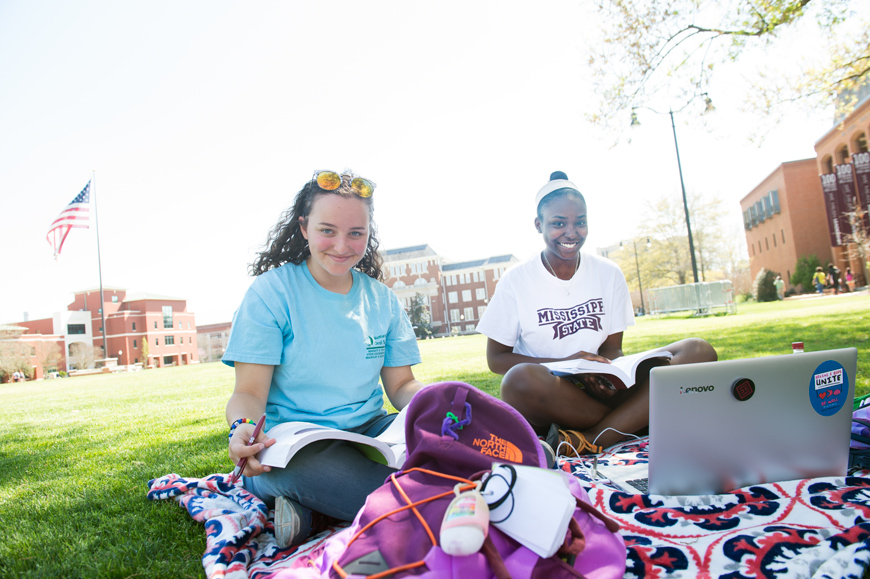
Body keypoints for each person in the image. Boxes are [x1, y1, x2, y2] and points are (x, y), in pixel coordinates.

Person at [221, 170, 426, 548]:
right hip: (292, 448)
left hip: (371, 433)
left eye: (356, 233)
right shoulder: (271, 293)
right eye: (327, 230)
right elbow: (249, 393)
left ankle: (315, 513)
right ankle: (442, 503)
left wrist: (432, 403)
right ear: (304, 227)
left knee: (444, 432)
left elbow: (400, 386)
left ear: (369, 233)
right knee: (314, 470)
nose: (342, 245)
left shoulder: (381, 299)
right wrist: (243, 427)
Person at [476, 171, 717, 456]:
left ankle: (594, 438)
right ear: (538, 224)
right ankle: (638, 419)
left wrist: (610, 375)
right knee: (518, 381)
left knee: (697, 351)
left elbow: (613, 348)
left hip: (602, 388)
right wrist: (566, 363)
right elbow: (496, 359)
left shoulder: (608, 272)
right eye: (558, 223)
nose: (571, 232)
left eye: (580, 222)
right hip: (554, 391)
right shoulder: (516, 280)